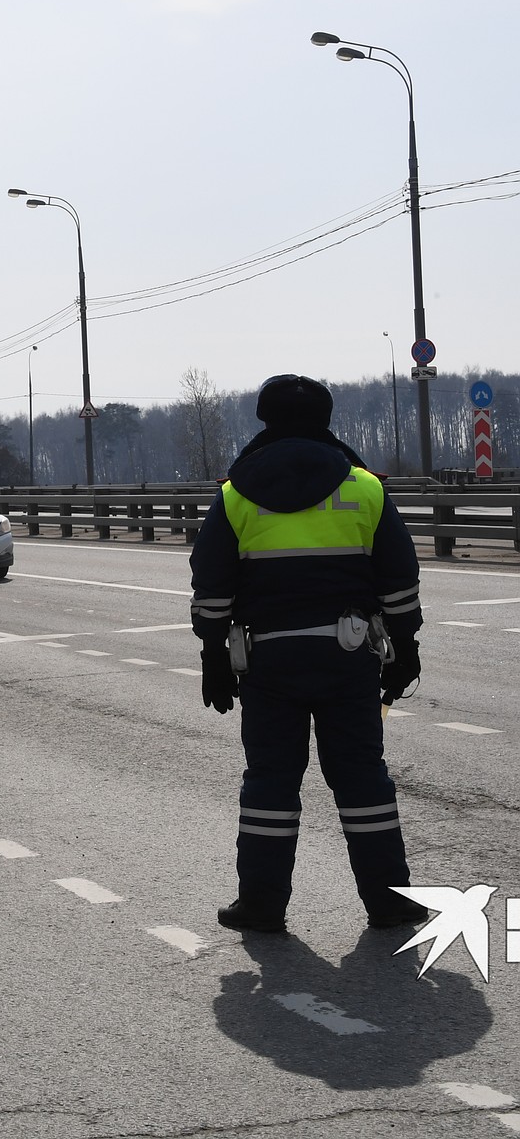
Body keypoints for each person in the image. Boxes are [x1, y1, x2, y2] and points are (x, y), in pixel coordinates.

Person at [189, 374, 427, 933]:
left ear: (263, 419)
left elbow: (212, 583)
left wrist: (212, 652)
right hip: (348, 657)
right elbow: (399, 577)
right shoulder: (364, 488)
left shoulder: (234, 493)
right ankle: (390, 902)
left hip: (269, 660)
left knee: (270, 780)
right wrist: (406, 646)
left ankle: (262, 905)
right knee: (363, 778)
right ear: (326, 419)